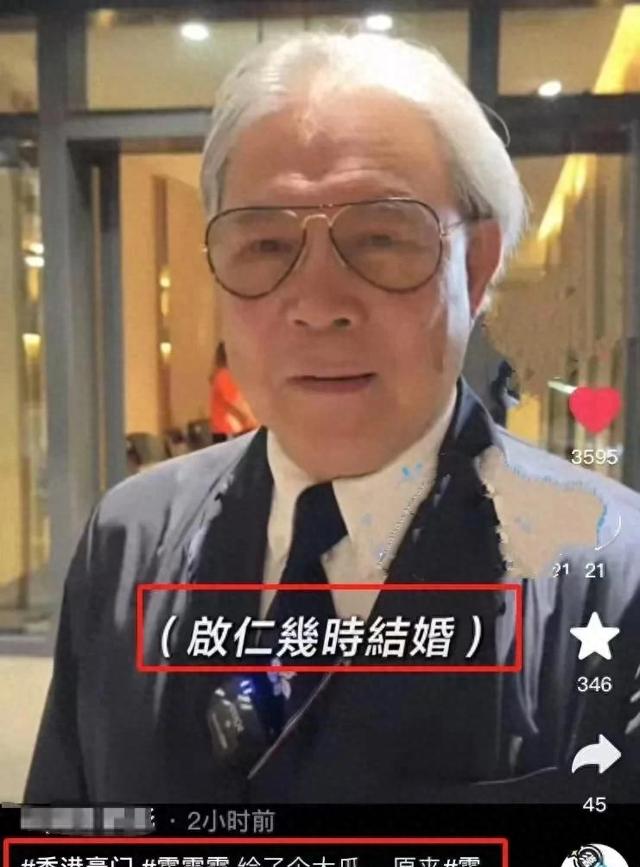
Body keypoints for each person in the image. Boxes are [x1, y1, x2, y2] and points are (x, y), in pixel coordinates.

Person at [25, 30, 640, 804]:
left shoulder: (612, 574)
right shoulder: (130, 536)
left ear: (477, 265)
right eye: (264, 243)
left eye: (381, 239)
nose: (317, 305)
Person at [209, 340, 258, 442]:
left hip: (226, 429)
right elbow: (232, 403)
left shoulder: (223, 375)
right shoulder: (225, 375)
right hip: (229, 430)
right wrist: (246, 419)